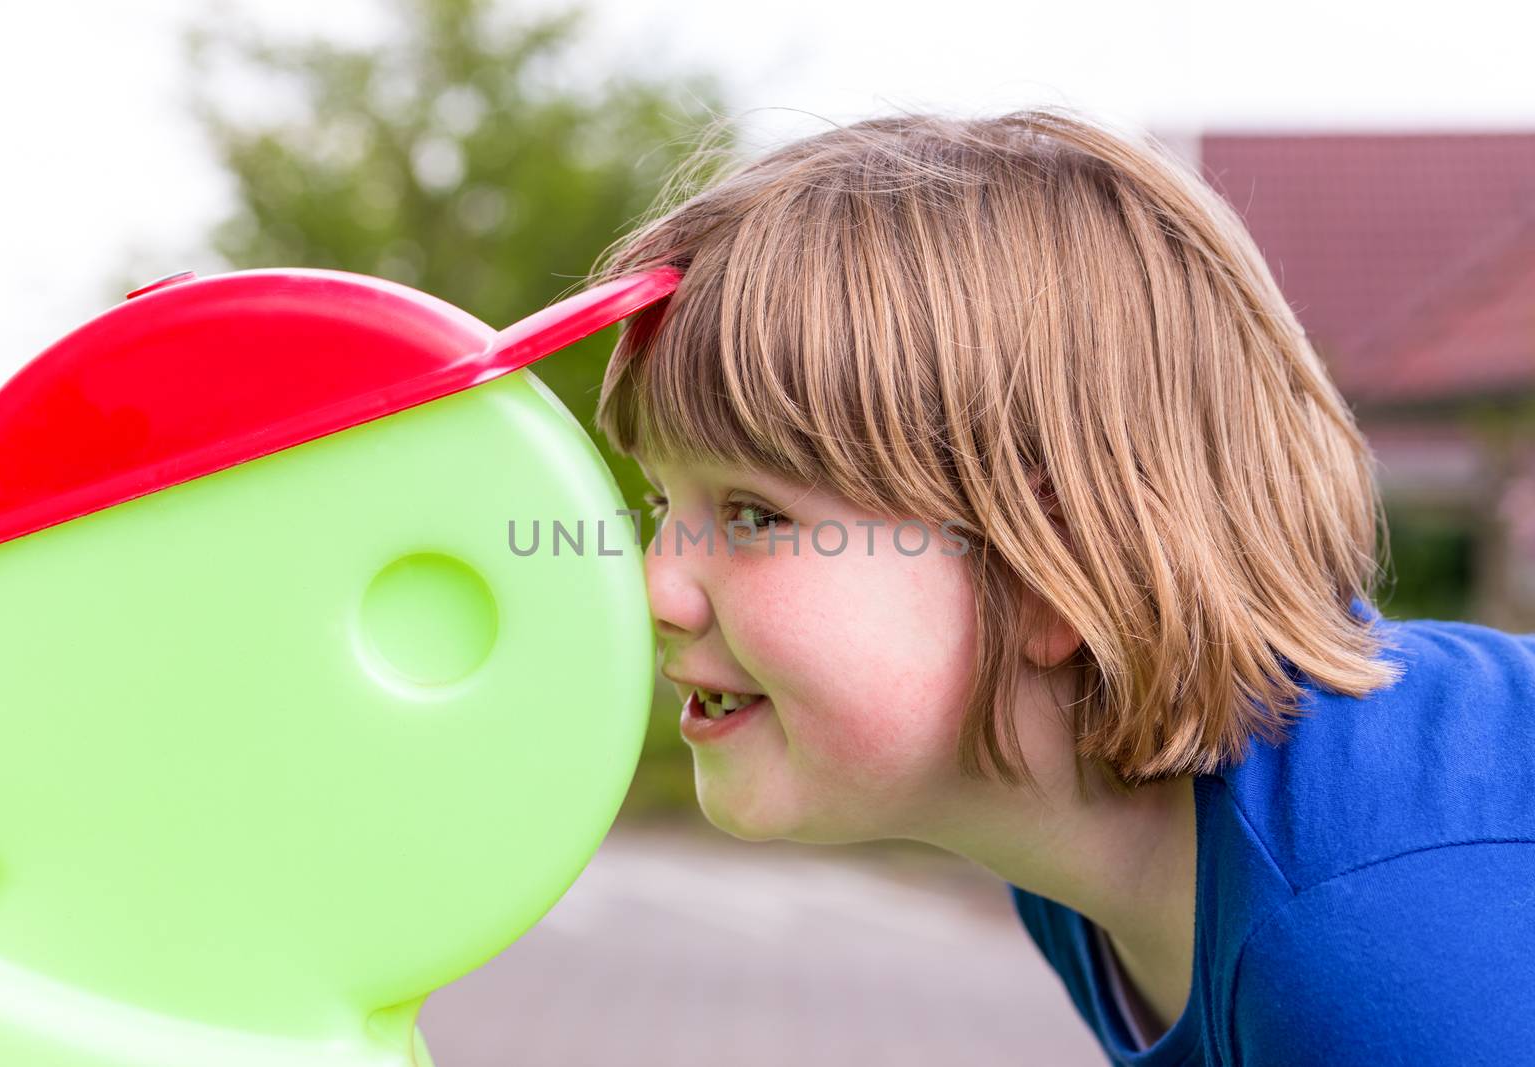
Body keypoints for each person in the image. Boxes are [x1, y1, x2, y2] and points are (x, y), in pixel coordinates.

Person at [584, 107, 1535, 1065]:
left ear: (1050, 569)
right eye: (665, 502)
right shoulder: (1069, 849)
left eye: (754, 515)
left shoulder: (1375, 939)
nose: (657, 582)